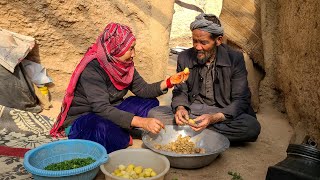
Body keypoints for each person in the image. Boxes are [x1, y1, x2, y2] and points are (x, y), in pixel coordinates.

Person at [50, 23, 189, 153]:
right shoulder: (92, 68)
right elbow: (101, 108)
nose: (134, 54)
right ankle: (124, 136)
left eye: (134, 47)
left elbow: (143, 90)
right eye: (130, 49)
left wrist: (169, 82)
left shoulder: (125, 65)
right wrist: (141, 122)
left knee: (150, 103)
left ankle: (120, 131)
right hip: (87, 118)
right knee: (101, 129)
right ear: (116, 48)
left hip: (113, 111)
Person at [148, 13, 261, 142]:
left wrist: (213, 118)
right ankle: (204, 133)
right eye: (194, 41)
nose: (197, 47)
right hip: (193, 110)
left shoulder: (235, 59)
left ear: (218, 40)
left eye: (203, 42)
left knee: (251, 127)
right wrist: (181, 108)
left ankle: (189, 131)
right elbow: (180, 91)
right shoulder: (184, 57)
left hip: (222, 112)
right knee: (155, 114)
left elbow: (241, 100)